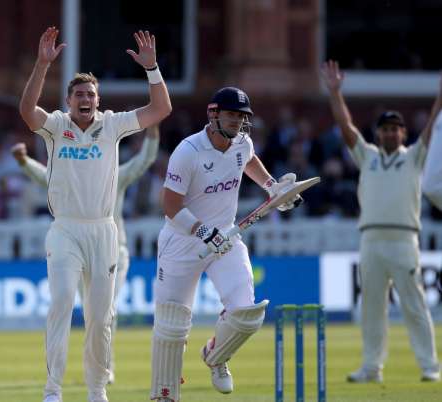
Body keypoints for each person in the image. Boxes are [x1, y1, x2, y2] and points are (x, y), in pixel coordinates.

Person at [19, 27, 171, 402]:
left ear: (98, 101)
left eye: (91, 95)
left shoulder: (112, 125)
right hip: (65, 230)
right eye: (79, 95)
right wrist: (41, 65)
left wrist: (152, 69)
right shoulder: (57, 127)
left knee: (101, 317)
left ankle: (96, 389)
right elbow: (26, 111)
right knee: (60, 303)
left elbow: (161, 110)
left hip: (104, 233)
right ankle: (52, 390)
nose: (85, 100)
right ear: (68, 100)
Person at [151, 87, 302, 401]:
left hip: (226, 239)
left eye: (242, 116)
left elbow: (248, 161)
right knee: (172, 326)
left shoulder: (242, 143)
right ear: (213, 113)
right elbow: (169, 205)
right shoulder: (188, 151)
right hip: (182, 240)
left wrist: (272, 187)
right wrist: (202, 229)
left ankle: (215, 357)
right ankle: (165, 395)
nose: (237, 121)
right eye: (232, 114)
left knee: (246, 313)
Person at [320, 60, 441, 383]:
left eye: (395, 129)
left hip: (404, 240)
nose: (390, 133)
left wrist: (440, 97)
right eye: (385, 129)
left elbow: (431, 125)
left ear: (403, 133)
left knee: (414, 306)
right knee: (372, 308)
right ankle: (371, 367)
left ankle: (430, 366)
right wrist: (335, 93)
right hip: (371, 240)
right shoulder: (368, 156)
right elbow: (346, 128)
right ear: (379, 133)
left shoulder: (414, 156)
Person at [11, 125, 160, 383]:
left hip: (113, 250)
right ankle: (95, 367)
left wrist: (153, 129)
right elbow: (45, 177)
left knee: (105, 311)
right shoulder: (71, 176)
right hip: (78, 251)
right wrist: (24, 162)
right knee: (93, 313)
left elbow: (145, 160)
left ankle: (104, 368)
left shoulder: (117, 175)